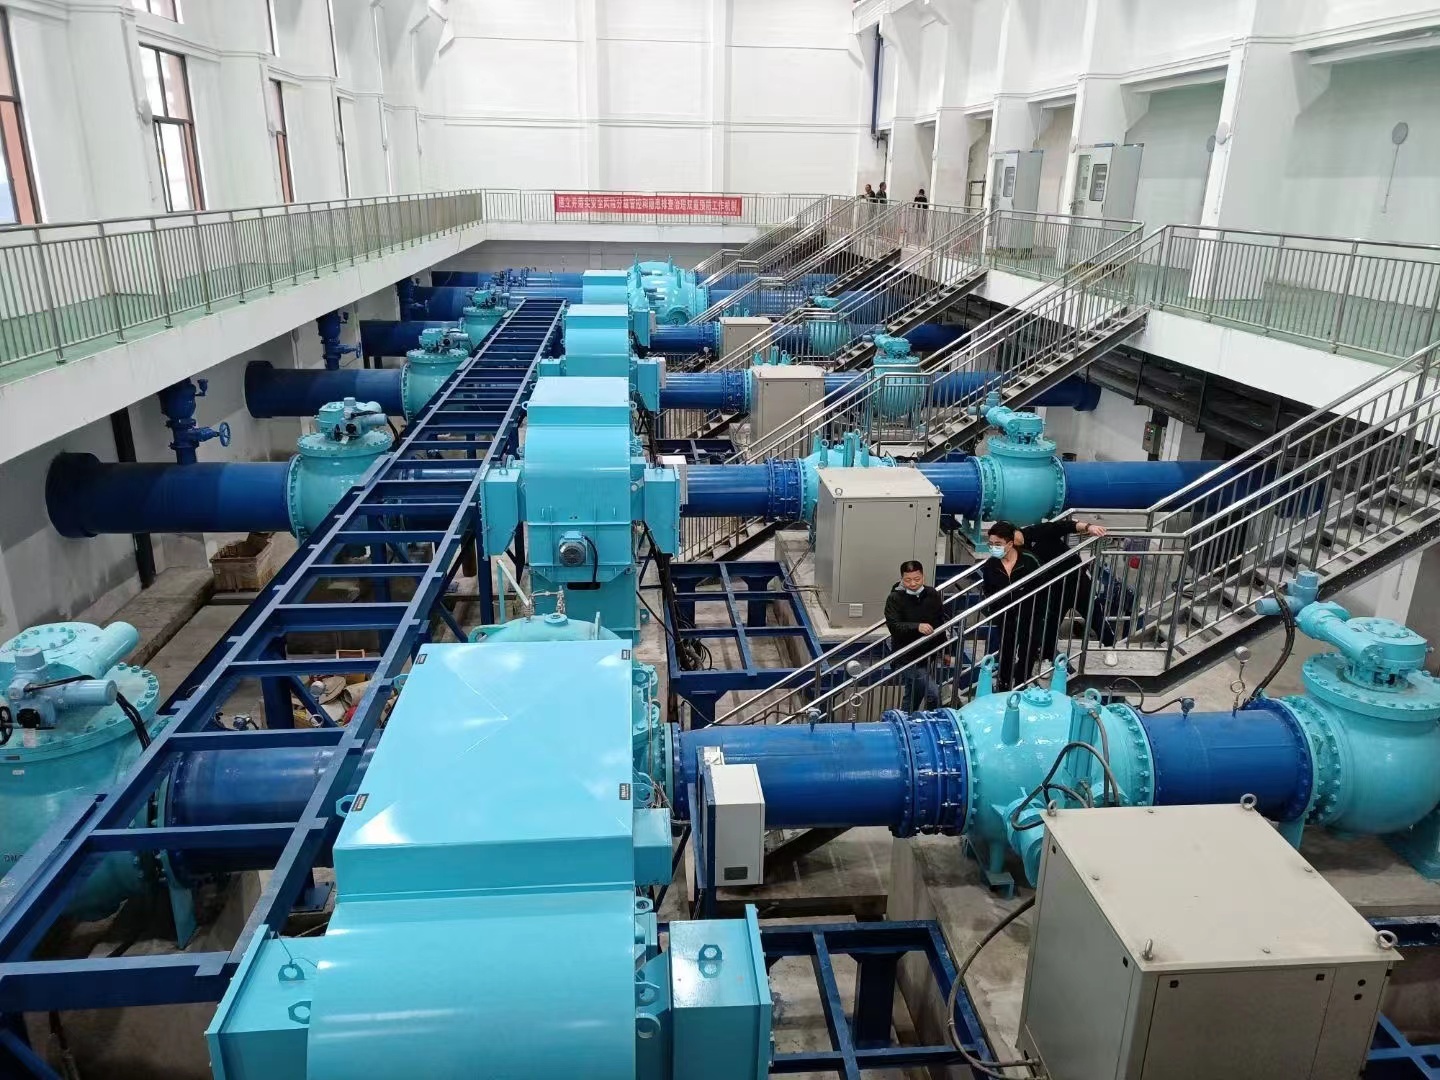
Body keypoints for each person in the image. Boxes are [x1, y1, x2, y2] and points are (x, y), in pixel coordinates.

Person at [1014, 518, 1108, 667]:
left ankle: (1110, 647)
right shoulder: (1015, 552)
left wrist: (1088, 527)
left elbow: (1064, 526)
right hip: (1054, 588)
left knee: (1095, 617)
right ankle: (1047, 658)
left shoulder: (1036, 532)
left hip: (1078, 581)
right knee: (1050, 625)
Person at [980, 520, 1042, 691]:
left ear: (1010, 543)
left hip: (1030, 615)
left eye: (998, 544)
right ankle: (1004, 684)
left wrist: (1040, 613)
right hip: (1005, 617)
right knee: (1006, 652)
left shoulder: (1029, 561)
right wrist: (994, 612)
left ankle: (1022, 684)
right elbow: (988, 591)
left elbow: (1043, 587)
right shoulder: (991, 565)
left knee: (1027, 652)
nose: (994, 548)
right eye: (991, 544)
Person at [884, 559, 946, 711]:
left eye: (917, 579)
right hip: (906, 656)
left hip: (927, 654)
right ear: (902, 579)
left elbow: (939, 622)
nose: (913, 583)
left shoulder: (932, 594)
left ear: (923, 577)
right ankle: (931, 719)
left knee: (913, 695)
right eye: (908, 580)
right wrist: (916, 627)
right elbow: (894, 626)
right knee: (933, 693)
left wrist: (946, 650)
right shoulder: (895, 598)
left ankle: (907, 718)